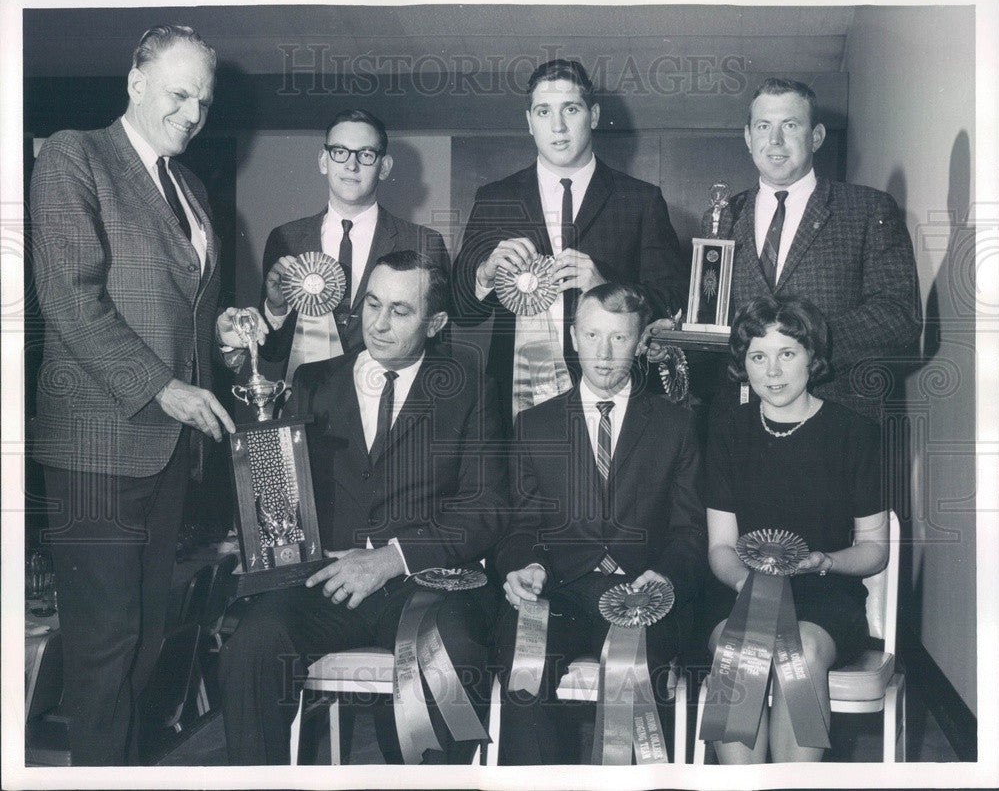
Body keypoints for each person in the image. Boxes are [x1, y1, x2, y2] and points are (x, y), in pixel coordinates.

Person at [28, 25, 261, 765]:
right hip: (99, 443)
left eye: (204, 101)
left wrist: (224, 328)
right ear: (135, 82)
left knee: (148, 641)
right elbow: (70, 300)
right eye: (179, 93)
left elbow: (182, 313)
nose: (193, 113)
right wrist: (163, 387)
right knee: (103, 650)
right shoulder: (75, 156)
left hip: (165, 452)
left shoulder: (189, 187)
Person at [219, 251, 507, 765]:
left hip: (425, 582)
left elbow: (484, 508)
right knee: (251, 648)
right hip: (331, 578)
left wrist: (392, 558)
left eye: (400, 311)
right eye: (372, 304)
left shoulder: (468, 384)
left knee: (452, 656)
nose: (378, 323)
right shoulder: (313, 380)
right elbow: (276, 487)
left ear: (435, 323)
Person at [493, 283, 706, 765]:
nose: (605, 354)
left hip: (647, 595)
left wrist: (667, 578)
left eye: (619, 338)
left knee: (640, 676)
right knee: (522, 663)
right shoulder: (535, 426)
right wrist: (527, 565)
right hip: (560, 591)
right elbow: (521, 527)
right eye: (592, 336)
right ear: (572, 337)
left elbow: (691, 532)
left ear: (641, 343)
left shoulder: (678, 425)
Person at [643, 77, 921, 421]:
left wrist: (803, 342)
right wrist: (675, 340)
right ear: (748, 137)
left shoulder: (867, 209)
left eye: (790, 125)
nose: (775, 140)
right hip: (743, 421)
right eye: (763, 126)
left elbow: (898, 318)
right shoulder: (723, 216)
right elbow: (719, 326)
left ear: (815, 137)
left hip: (839, 417)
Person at [702, 295, 889, 763]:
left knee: (799, 651)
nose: (773, 370)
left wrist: (827, 560)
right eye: (757, 356)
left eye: (787, 353)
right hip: (737, 592)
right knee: (737, 645)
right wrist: (748, 586)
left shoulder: (855, 433)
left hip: (826, 594)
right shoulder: (725, 431)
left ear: (812, 357)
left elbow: (874, 549)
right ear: (743, 365)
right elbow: (721, 546)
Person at [452, 59, 687, 432]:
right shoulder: (495, 198)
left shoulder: (640, 199)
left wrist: (605, 289)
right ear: (529, 121)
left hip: (614, 397)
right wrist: (482, 274)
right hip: (515, 406)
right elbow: (462, 312)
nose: (557, 126)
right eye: (544, 112)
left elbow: (673, 297)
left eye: (570, 109)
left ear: (593, 115)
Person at [259, 109, 449, 382]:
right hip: (306, 399)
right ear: (324, 161)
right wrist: (276, 309)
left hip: (387, 402)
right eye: (340, 152)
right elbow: (272, 352)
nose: (351, 165)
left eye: (366, 154)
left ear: (384, 167)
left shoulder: (424, 243)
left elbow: (438, 348)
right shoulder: (285, 239)